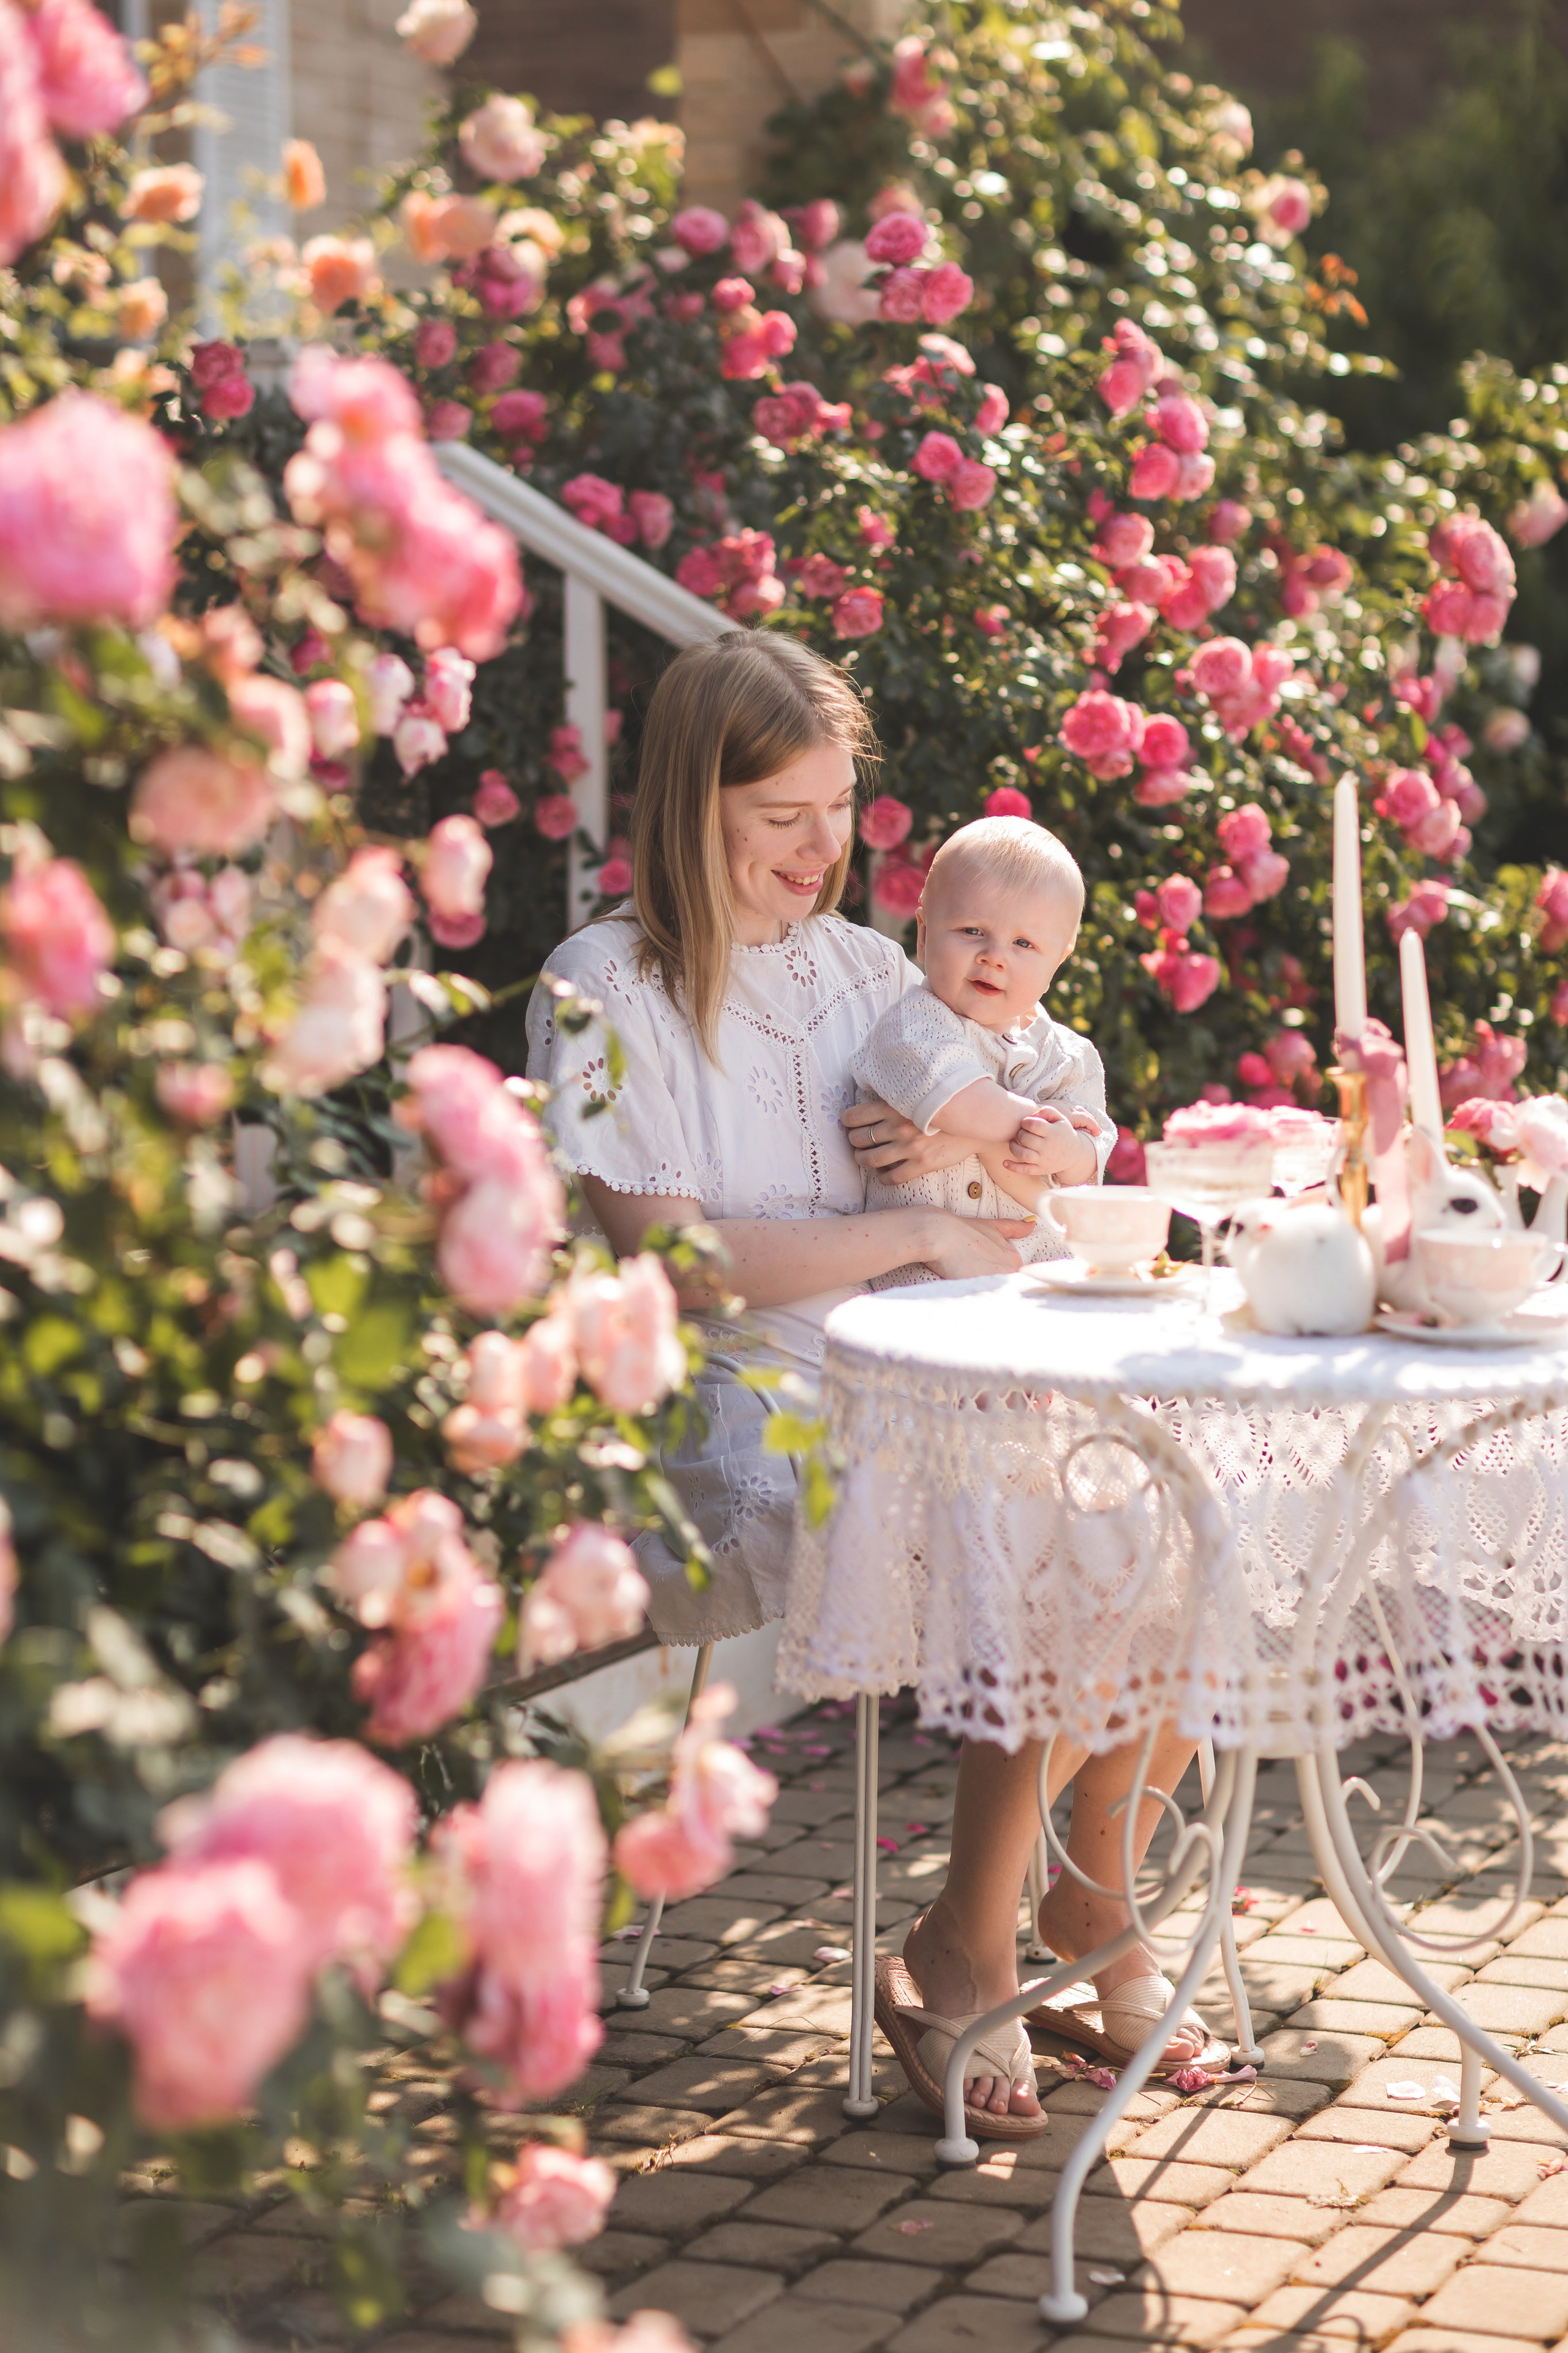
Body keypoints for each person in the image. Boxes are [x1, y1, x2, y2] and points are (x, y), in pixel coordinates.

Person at [524, 631, 1219, 2139]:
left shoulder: (866, 973)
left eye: (836, 807)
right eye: (779, 812)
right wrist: (905, 1216)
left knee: (1167, 1494)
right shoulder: (597, 989)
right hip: (736, 1396)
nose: (820, 847)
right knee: (1034, 1517)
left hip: (931, 1354)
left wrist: (981, 1152)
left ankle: (1072, 1900)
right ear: (687, 805)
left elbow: (1015, 1145)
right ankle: (972, 1947)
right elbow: (677, 1267)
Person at [851, 812, 1114, 1285]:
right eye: (973, 930)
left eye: (1023, 943)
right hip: (924, 1289)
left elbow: (1089, 1167)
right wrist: (1043, 1127)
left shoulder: (1071, 1057)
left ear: (1058, 962)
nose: (994, 955)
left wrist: (1071, 1150)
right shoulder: (912, 1026)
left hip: (1040, 1284)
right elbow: (966, 1104)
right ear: (925, 932)